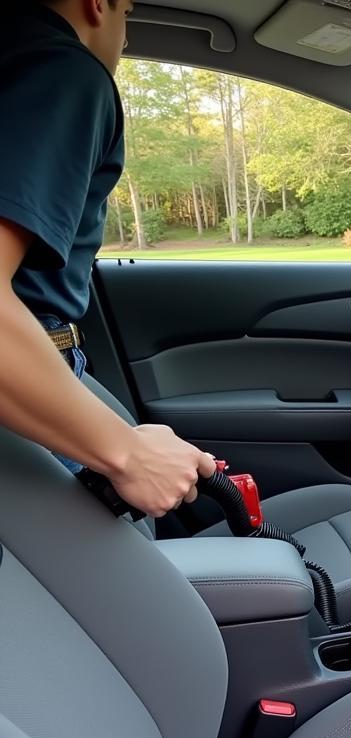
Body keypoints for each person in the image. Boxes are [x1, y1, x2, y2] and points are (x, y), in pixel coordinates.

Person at [0, 0, 214, 516]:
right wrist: (127, 455)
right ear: (99, 4)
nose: (127, 38)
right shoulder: (62, 69)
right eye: (128, 15)